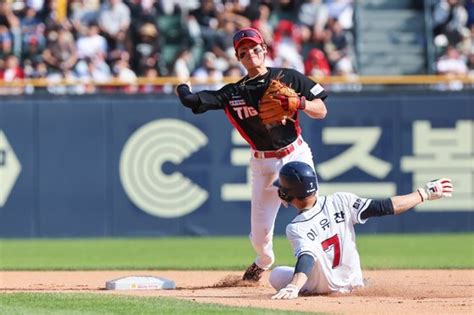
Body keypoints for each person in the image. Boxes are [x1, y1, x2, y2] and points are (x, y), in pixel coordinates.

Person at [176, 27, 328, 281]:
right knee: (259, 234)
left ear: (265, 50)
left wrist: (300, 103)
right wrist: (182, 87)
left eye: (255, 49)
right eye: (244, 52)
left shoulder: (288, 77)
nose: (251, 54)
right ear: (238, 58)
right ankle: (264, 260)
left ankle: (324, 269)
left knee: (311, 214)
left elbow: (321, 109)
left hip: (295, 155)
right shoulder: (233, 93)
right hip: (263, 164)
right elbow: (192, 101)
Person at [269, 161, 454, 299]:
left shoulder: (296, 227)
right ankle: (357, 283)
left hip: (323, 288)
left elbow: (307, 258)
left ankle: (307, 290)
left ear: (287, 193)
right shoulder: (341, 200)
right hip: (353, 282)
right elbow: (385, 207)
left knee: (276, 275)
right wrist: (424, 193)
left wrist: (294, 286)